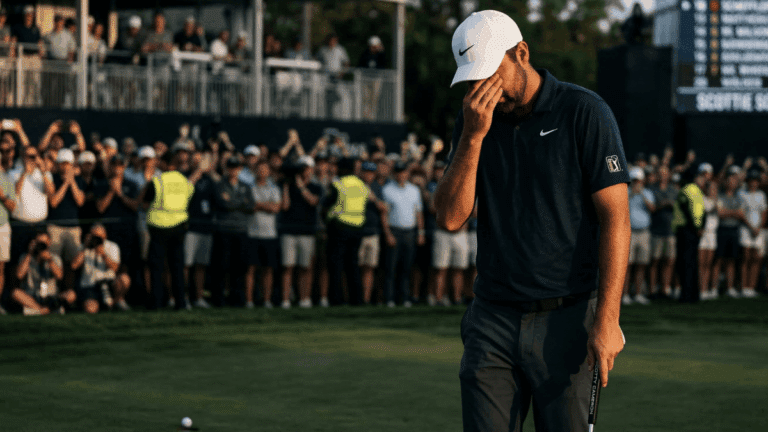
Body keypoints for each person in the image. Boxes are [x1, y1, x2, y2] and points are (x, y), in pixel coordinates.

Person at [433, 10, 629, 432]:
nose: (480, 88)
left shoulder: (584, 111)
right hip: (492, 318)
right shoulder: (473, 122)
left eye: (489, 73)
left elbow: (616, 219)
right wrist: (472, 137)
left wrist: (608, 318)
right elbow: (450, 218)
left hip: (569, 317)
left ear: (521, 53)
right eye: (472, 78)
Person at [140, 151, 194, 310]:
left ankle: (156, 303)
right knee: (177, 267)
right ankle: (180, 303)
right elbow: (188, 201)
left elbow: (144, 204)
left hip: (159, 227)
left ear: (165, 164)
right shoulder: (186, 182)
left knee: (156, 267)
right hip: (179, 227)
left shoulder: (157, 181)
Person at [322, 157, 369, 306]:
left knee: (336, 266)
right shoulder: (362, 185)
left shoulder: (338, 184)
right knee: (353, 266)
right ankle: (357, 300)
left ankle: (336, 299)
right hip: (358, 228)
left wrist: (327, 220)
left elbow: (327, 205)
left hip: (339, 227)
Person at [211, 156, 254, 307]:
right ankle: (219, 299)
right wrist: (240, 202)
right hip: (223, 230)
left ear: (240, 169)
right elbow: (223, 204)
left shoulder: (246, 186)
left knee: (239, 267)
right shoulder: (219, 185)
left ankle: (238, 299)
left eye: (236, 168)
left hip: (241, 230)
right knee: (222, 266)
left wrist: (232, 202)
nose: (234, 170)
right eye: (231, 167)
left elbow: (250, 207)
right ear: (227, 169)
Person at [280, 156, 322, 309]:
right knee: (288, 266)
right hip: (289, 231)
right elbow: (285, 206)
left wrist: (301, 186)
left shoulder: (315, 187)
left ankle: (305, 299)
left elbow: (313, 201)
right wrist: (286, 185)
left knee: (306, 267)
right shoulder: (289, 186)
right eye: (302, 169)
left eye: (307, 168)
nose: (305, 171)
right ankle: (285, 300)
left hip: (307, 232)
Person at [382, 162, 425, 307]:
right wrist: (388, 234)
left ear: (407, 174)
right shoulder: (387, 190)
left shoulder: (414, 190)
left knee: (407, 268)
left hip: (410, 232)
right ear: (395, 174)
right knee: (391, 267)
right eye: (399, 172)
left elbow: (418, 213)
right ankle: (389, 299)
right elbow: (384, 214)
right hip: (394, 230)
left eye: (404, 172)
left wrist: (420, 233)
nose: (402, 175)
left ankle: (405, 298)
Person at [47, 148, 86, 294]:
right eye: (62, 163)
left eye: (67, 163)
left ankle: (68, 292)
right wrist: (65, 184)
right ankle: (52, 293)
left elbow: (80, 201)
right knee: (53, 262)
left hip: (73, 228)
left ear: (72, 164)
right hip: (54, 227)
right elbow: (54, 202)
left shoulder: (79, 180)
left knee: (72, 263)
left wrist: (72, 182)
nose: (65, 166)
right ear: (58, 164)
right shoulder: (53, 178)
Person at [184, 149, 217, 309]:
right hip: (189, 227)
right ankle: (183, 298)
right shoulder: (184, 175)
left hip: (206, 227)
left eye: (200, 160)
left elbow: (218, 195)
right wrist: (198, 170)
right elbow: (185, 190)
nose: (198, 163)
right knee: (186, 264)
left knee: (201, 265)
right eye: (195, 160)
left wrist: (210, 171)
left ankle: (198, 297)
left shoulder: (209, 179)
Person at [11, 231, 73, 315]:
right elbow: (19, 275)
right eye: (38, 243)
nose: (41, 246)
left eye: (43, 243)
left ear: (49, 243)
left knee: (71, 294)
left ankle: (37, 311)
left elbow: (59, 276)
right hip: (31, 295)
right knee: (15, 293)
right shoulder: (25, 257)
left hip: (51, 296)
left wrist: (49, 260)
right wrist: (29, 253)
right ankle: (46, 310)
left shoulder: (55, 258)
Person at [246, 158, 281, 308]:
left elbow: (276, 208)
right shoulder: (248, 188)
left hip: (269, 234)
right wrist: (266, 205)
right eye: (259, 169)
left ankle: (266, 300)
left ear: (269, 172)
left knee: (268, 269)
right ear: (255, 171)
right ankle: (249, 301)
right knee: (250, 269)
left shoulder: (274, 188)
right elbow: (249, 207)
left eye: (265, 169)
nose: (262, 172)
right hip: (252, 233)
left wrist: (259, 205)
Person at [71, 224, 130, 313]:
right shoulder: (83, 247)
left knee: (125, 279)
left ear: (105, 236)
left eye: (99, 237)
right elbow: (74, 266)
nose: (96, 240)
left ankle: (115, 302)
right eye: (94, 236)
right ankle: (104, 305)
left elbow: (115, 268)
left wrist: (103, 254)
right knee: (90, 310)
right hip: (90, 285)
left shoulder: (112, 246)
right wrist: (85, 248)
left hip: (109, 282)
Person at [358, 160, 393, 305]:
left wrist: (374, 199)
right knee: (357, 267)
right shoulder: (355, 185)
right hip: (357, 232)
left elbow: (384, 209)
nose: (368, 175)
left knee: (370, 268)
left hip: (373, 232)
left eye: (371, 172)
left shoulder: (377, 188)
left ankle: (365, 299)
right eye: (366, 172)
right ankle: (355, 298)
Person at [672, 166, 707, 303]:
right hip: (694, 231)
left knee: (685, 263)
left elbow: (688, 210)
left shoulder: (686, 190)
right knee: (692, 263)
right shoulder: (698, 191)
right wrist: (700, 228)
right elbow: (703, 212)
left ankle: (686, 295)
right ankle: (694, 294)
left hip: (686, 230)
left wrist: (695, 227)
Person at [711, 165, 746, 298]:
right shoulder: (719, 196)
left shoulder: (739, 198)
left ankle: (730, 288)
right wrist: (734, 213)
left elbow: (741, 214)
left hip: (734, 230)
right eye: (729, 180)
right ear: (725, 182)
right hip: (722, 230)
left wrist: (729, 212)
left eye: (734, 181)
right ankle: (714, 288)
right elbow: (720, 213)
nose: (732, 183)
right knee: (718, 260)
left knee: (731, 260)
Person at [623, 167, 655, 305]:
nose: (637, 183)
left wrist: (641, 195)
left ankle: (638, 294)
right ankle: (624, 295)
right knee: (627, 266)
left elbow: (652, 209)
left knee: (641, 265)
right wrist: (631, 195)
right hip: (629, 233)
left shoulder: (647, 193)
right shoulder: (625, 193)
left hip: (644, 233)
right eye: (634, 180)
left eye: (639, 180)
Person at [648, 164, 678, 299]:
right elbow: (653, 207)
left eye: (665, 173)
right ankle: (652, 290)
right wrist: (664, 204)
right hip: (655, 230)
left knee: (669, 261)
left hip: (670, 230)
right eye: (660, 173)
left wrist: (669, 204)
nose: (662, 175)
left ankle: (665, 289)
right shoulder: (651, 189)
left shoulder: (673, 190)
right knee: (654, 260)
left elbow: (678, 206)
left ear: (668, 175)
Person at [737, 168, 766, 298]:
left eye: (756, 181)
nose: (753, 183)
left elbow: (764, 213)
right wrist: (751, 227)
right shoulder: (741, 194)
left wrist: (759, 227)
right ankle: (743, 287)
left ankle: (751, 287)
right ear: (747, 182)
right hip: (745, 229)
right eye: (751, 181)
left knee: (756, 259)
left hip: (758, 230)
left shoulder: (761, 195)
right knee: (745, 258)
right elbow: (741, 213)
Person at [0, 148, 16, 315]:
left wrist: (2, 196)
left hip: (2, 227)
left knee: (0, 269)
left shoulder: (7, 179)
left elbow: (12, 207)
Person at [699, 179, 719, 300]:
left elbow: (720, 213)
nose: (713, 190)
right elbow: (705, 212)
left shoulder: (717, 200)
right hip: (703, 233)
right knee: (701, 263)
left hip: (713, 234)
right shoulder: (702, 199)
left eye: (715, 188)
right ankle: (700, 289)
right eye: (711, 188)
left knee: (708, 264)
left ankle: (706, 289)